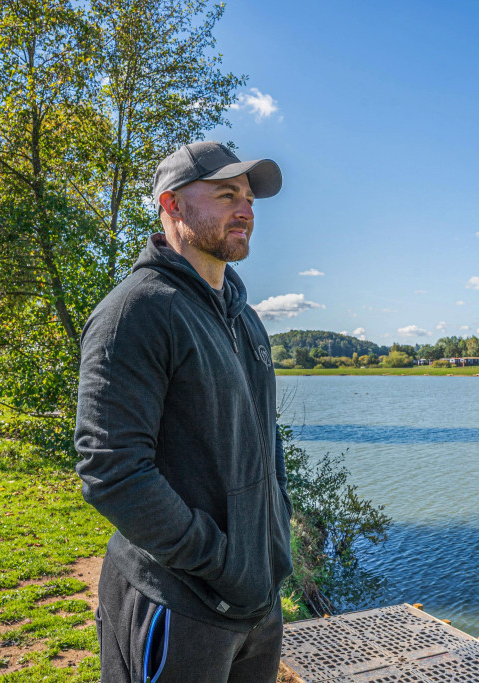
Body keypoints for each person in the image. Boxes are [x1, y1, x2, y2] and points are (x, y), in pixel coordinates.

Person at [75, 141, 293, 683]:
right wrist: (220, 563)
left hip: (258, 603)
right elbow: (112, 470)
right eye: (226, 195)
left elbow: (266, 440)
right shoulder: (136, 312)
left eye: (248, 198)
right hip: (179, 604)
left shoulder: (245, 319)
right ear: (171, 204)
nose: (245, 210)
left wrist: (272, 541)